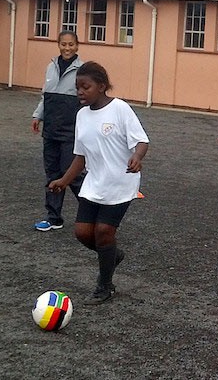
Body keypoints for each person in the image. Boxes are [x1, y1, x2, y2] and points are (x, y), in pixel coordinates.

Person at [48, 61, 149, 305]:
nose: (80, 92)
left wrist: (136, 156)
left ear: (102, 86)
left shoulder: (120, 109)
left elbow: (142, 141)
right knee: (83, 233)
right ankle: (112, 255)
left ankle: (105, 286)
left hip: (121, 182)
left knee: (104, 231)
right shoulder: (82, 116)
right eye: (78, 88)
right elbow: (80, 156)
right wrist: (63, 180)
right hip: (94, 183)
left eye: (86, 87)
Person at [31, 30, 84, 231]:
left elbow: (87, 100)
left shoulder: (82, 70)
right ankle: (53, 218)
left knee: (73, 175)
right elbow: (45, 97)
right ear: (58, 45)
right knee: (52, 174)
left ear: (77, 46)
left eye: (71, 44)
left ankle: (93, 215)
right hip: (51, 129)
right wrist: (38, 116)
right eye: (63, 44)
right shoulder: (50, 67)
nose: (67, 48)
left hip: (71, 131)